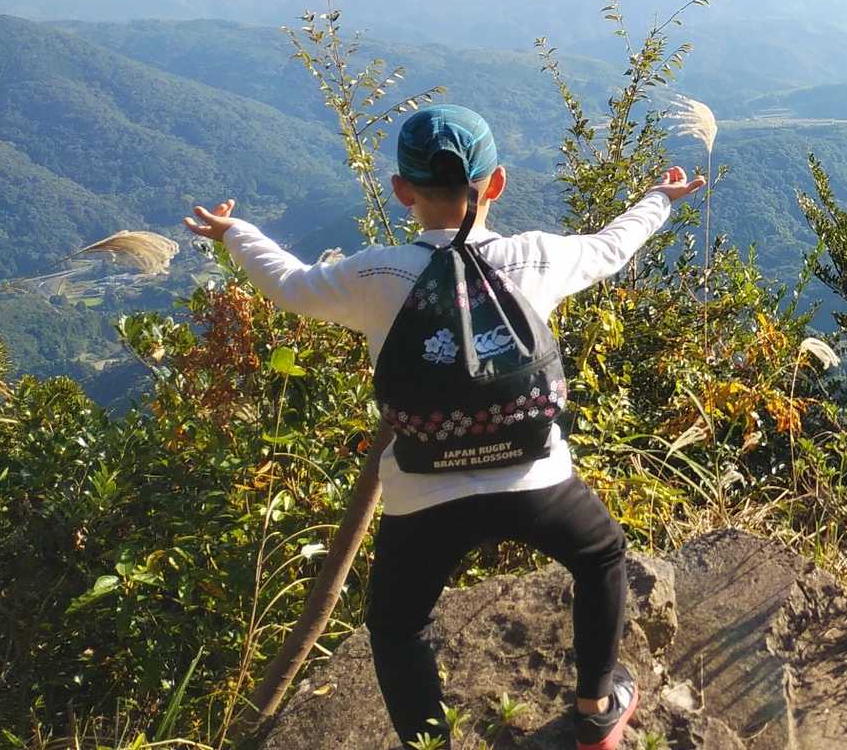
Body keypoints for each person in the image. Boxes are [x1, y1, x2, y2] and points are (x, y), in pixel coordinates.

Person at [185, 103, 704, 750]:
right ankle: (596, 710)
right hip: (536, 481)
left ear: (403, 191)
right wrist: (659, 199)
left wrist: (236, 232)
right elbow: (611, 247)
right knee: (600, 556)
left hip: (423, 495)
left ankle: (430, 743)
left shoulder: (374, 275)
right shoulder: (535, 258)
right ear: (497, 183)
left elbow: (288, 282)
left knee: (396, 627)